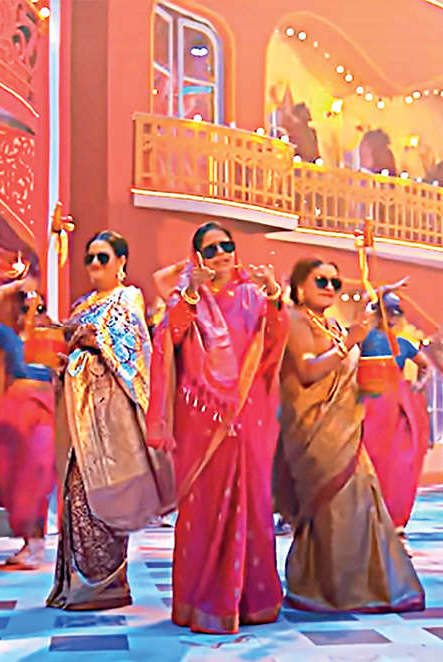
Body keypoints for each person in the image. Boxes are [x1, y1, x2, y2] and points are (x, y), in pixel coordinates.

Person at [148, 222, 288, 633]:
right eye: (211, 250)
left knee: (254, 502)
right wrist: (191, 294)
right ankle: (202, 600)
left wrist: (275, 297)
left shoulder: (253, 296)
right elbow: (170, 340)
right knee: (203, 508)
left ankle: (253, 601)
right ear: (198, 258)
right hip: (201, 418)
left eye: (227, 246)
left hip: (248, 412)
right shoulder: (189, 298)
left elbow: (274, 342)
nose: (222, 254)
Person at [273, 257, 424, 613]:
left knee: (359, 503)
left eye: (335, 282)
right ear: (299, 287)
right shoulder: (294, 320)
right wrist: (348, 342)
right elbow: (308, 371)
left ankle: (356, 587)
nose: (329, 287)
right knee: (333, 508)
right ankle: (327, 588)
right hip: (313, 432)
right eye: (320, 281)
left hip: (346, 428)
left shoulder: (331, 324)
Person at [47, 231, 174, 611]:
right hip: (77, 412)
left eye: (102, 257)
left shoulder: (128, 298)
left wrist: (94, 339)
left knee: (105, 489)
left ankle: (107, 584)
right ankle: (80, 583)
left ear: (121, 262)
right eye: (89, 258)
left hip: (109, 413)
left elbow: (134, 348)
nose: (94, 265)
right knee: (76, 491)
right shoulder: (83, 303)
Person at [0, 277, 57, 569]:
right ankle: (28, 541)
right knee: (15, 477)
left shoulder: (53, 337)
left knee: (39, 472)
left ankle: (37, 542)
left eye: (38, 307)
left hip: (43, 410)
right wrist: (12, 288)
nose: (32, 312)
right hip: (15, 414)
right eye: (25, 307)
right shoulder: (10, 337)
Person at [360, 291, 434, 532]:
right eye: (387, 311)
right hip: (367, 408)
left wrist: (419, 385)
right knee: (367, 462)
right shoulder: (364, 338)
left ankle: (395, 518)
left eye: (396, 312)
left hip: (394, 412)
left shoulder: (403, 344)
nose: (392, 316)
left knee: (397, 465)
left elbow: (427, 367)